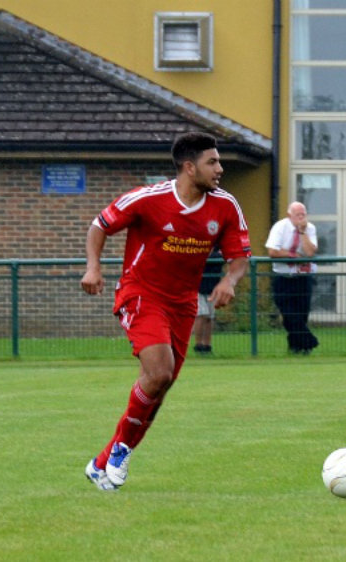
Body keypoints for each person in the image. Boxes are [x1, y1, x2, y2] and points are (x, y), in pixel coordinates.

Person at [80, 132, 251, 491]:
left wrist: (229, 280)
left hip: (183, 304)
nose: (220, 168)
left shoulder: (225, 206)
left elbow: (239, 257)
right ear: (189, 167)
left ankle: (102, 462)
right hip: (141, 294)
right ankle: (121, 449)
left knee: (160, 385)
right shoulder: (149, 199)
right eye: (212, 162)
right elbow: (100, 224)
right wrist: (93, 267)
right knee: (158, 373)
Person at [265, 201, 319, 354]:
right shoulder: (280, 227)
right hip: (283, 277)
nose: (301, 218)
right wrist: (293, 255)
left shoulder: (310, 228)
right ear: (289, 216)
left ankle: (297, 348)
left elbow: (309, 253)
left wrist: (302, 233)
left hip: (303, 277)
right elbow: (272, 251)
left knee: (302, 314)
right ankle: (309, 342)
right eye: (297, 215)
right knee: (289, 314)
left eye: (303, 214)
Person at [193, 248, 224, 355]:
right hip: (197, 288)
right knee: (202, 314)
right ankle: (198, 345)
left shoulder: (218, 248)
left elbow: (222, 257)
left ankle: (207, 345)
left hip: (213, 288)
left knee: (210, 317)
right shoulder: (197, 247)